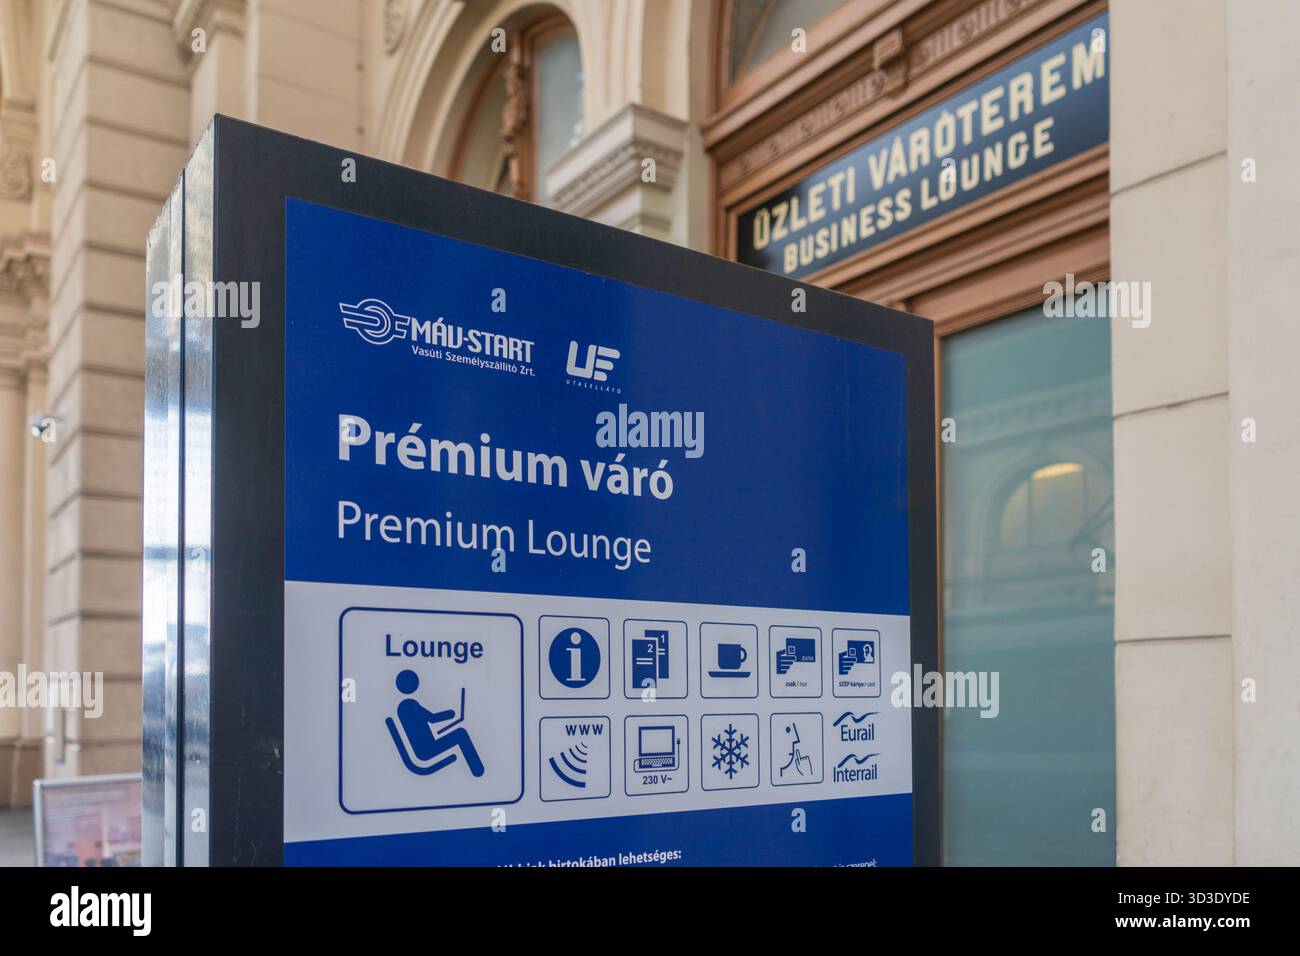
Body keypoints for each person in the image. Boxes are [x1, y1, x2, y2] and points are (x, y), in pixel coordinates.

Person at [393, 670, 485, 777]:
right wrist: (451, 713)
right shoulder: (411, 705)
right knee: (461, 734)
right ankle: (478, 770)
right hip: (427, 749)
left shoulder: (402, 706)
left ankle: (478, 772)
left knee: (459, 733)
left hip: (425, 746)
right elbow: (432, 718)